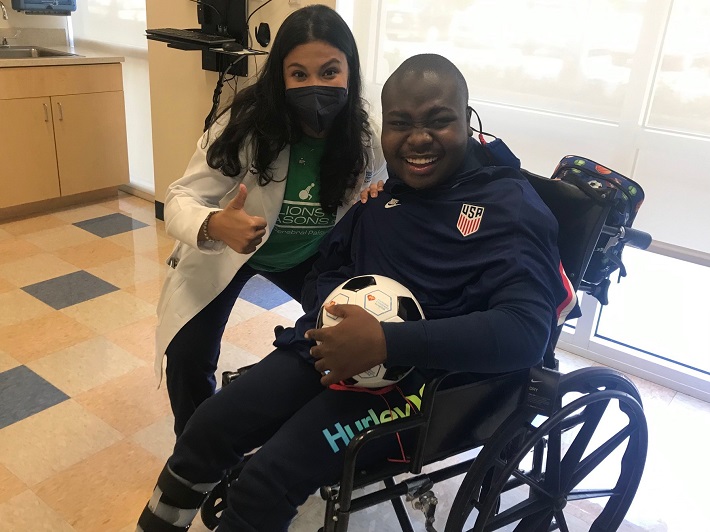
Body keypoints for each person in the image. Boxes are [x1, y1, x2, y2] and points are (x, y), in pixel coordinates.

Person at [137, 53, 579, 532]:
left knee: (266, 478)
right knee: (209, 427)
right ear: (384, 127)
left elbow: (527, 331)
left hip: (417, 390)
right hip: (332, 348)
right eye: (401, 123)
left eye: (439, 121)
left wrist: (387, 342)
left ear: (468, 122)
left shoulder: (511, 208)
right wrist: (335, 311)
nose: (418, 138)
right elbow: (326, 270)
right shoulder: (385, 196)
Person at [156, 4, 387, 436]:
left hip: (306, 257)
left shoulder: (364, 135)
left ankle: (313, 431)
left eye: (330, 71)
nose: (315, 85)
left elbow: (382, 182)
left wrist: (377, 194)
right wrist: (213, 225)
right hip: (227, 252)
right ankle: (196, 454)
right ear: (280, 77)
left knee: (338, 338)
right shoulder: (244, 124)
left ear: (350, 73)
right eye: (299, 74)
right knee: (187, 355)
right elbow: (180, 196)